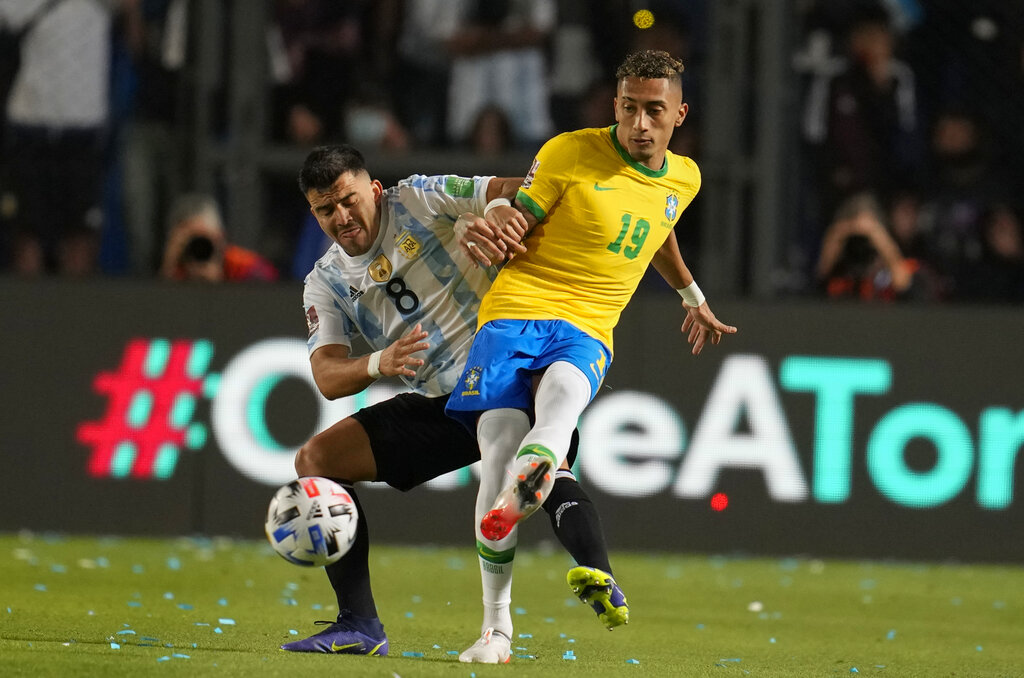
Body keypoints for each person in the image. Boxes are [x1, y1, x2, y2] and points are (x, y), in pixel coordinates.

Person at [444, 49, 737, 657]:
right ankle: (495, 628)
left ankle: (536, 469)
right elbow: (520, 211)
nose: (639, 124)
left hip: (588, 324)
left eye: (654, 111)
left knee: (561, 402)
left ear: (679, 114)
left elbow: (660, 228)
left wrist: (692, 295)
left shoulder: (686, 178)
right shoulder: (568, 151)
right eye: (629, 108)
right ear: (616, 105)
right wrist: (499, 225)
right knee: (496, 452)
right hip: (517, 308)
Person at [283, 144, 621, 662]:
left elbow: (514, 188)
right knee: (316, 461)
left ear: (374, 189)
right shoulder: (325, 281)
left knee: (537, 471)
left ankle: (600, 575)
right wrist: (379, 363)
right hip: (440, 403)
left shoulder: (418, 197)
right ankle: (359, 625)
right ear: (313, 213)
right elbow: (327, 376)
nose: (342, 217)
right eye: (326, 209)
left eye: (349, 200)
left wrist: (488, 214)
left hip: (505, 370)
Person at [159, 194, 279, 282]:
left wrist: (219, 282)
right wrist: (169, 269)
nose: (199, 246)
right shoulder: (176, 269)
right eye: (192, 240)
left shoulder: (244, 267)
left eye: (203, 238)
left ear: (221, 236)